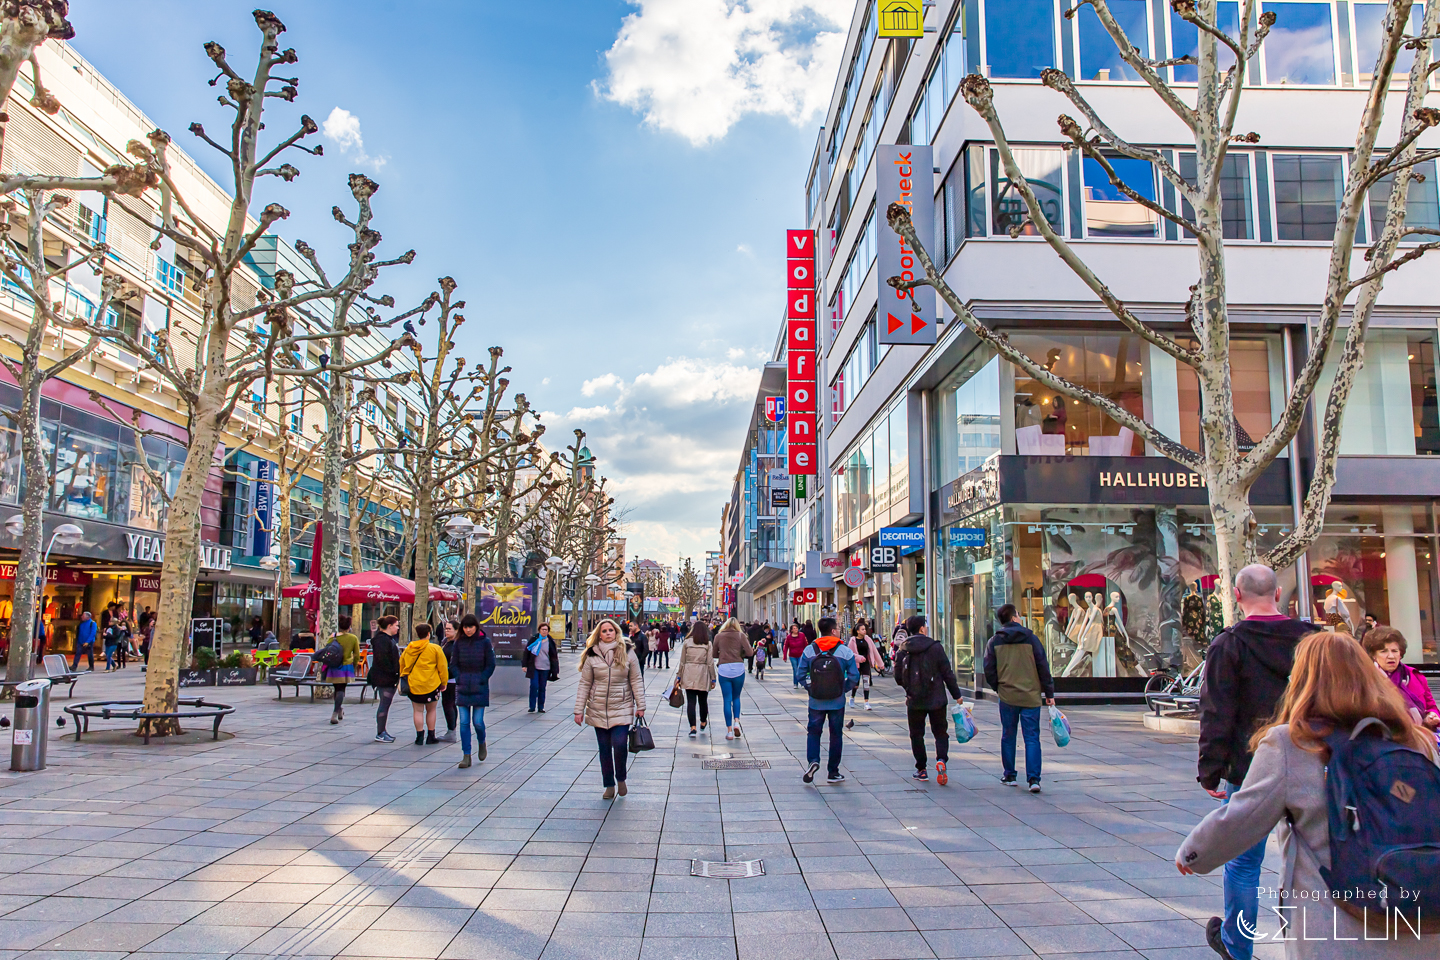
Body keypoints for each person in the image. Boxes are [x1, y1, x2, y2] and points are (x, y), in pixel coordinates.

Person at [1176, 631, 1439, 959]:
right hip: (1422, 918)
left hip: (1335, 923)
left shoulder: (1292, 743)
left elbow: (1244, 816)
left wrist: (1194, 853)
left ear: (1302, 680)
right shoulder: (1416, 740)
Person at [1194, 563, 1314, 960]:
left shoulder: (1228, 645)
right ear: (1277, 594)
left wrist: (1211, 769)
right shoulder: (1312, 640)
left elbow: (1217, 711)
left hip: (1251, 765)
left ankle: (1237, 946)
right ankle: (1313, 943)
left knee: (1244, 862)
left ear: (1236, 595)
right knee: (1315, 860)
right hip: (1310, 758)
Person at [983, 602, 1056, 792]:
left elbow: (989, 669)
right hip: (1031, 695)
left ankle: (1010, 775)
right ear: (1014, 617)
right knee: (1032, 737)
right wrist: (1049, 693)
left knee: (1008, 735)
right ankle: (1034, 780)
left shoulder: (994, 641)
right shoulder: (1031, 639)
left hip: (1007, 695)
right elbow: (1043, 666)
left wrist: (998, 687)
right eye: (1018, 614)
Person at [573, 618, 645, 800]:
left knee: (620, 744)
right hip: (598, 708)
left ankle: (621, 778)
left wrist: (641, 705)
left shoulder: (627, 651)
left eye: (610, 630)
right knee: (604, 749)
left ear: (616, 632)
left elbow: (636, 679)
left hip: (622, 705)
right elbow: (585, 683)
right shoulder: (592, 654)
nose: (607, 633)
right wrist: (579, 710)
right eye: (604, 631)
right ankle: (609, 785)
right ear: (599, 634)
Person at [894, 615, 963, 784]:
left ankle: (921, 769)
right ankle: (941, 760)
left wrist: (909, 688)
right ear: (922, 628)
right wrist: (957, 695)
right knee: (940, 732)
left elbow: (898, 676)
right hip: (936, 698)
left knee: (916, 734)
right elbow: (947, 673)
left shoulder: (903, 648)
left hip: (914, 699)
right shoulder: (935, 647)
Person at [799, 616, 859, 784]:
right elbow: (854, 676)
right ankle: (833, 772)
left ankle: (813, 761)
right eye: (838, 628)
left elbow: (800, 674)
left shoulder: (810, 650)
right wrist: (842, 689)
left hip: (816, 701)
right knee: (836, 734)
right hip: (837, 701)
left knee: (813, 732)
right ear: (833, 631)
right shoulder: (844, 651)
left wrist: (811, 688)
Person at [1363, 625, 1440, 733]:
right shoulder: (1366, 680)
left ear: (1401, 653)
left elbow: (1431, 707)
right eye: (1383, 651)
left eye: (1394, 651)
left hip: (1421, 735)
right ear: (1373, 655)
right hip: (1383, 738)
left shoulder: (1415, 676)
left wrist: (1432, 716)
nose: (1391, 656)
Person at [453, 614, 495, 768]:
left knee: (478, 722)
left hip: (479, 686)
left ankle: (482, 742)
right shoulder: (459, 642)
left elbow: (491, 664)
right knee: (464, 722)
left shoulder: (485, 642)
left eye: (470, 627)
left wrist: (483, 678)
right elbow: (453, 664)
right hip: (463, 686)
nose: (468, 630)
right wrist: (458, 677)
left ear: (476, 627)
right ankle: (466, 755)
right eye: (465, 627)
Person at [399, 623, 449, 745]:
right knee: (431, 710)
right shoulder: (435, 648)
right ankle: (431, 735)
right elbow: (442, 667)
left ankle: (419, 736)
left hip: (414, 684)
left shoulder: (409, 648)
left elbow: (402, 664)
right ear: (428, 634)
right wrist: (444, 682)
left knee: (418, 711)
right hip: (432, 684)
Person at [714, 617, 754, 741]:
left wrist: (723, 654)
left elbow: (714, 654)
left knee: (727, 699)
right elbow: (750, 653)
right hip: (738, 668)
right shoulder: (741, 636)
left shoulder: (719, 636)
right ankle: (737, 722)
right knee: (736, 697)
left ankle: (729, 731)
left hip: (724, 668)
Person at [677, 620, 717, 738]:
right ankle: (703, 721)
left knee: (691, 702)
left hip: (689, 673)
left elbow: (682, 661)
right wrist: (713, 678)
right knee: (703, 701)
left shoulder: (687, 643)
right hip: (702, 673)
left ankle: (692, 727)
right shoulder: (707, 644)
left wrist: (679, 676)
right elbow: (710, 662)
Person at [368, 615, 402, 742]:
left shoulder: (384, 639)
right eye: (396, 625)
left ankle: (382, 731)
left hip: (385, 677)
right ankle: (380, 732)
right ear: (389, 626)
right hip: (385, 678)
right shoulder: (383, 641)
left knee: (385, 704)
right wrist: (394, 673)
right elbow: (384, 661)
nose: (398, 628)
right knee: (384, 704)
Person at [325, 614, 360, 725]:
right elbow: (357, 654)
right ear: (349, 626)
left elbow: (327, 650)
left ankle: (339, 709)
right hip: (346, 666)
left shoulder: (332, 637)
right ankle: (335, 713)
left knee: (336, 688)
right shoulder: (353, 638)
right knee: (341, 689)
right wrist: (354, 666)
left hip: (334, 666)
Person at [523, 622, 560, 713]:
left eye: (546, 630)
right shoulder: (534, 639)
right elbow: (526, 652)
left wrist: (555, 670)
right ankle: (532, 706)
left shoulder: (550, 641)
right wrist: (524, 665)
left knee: (542, 687)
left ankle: (541, 707)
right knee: (534, 685)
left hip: (545, 668)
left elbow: (554, 656)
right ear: (539, 630)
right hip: (534, 667)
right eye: (542, 629)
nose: (544, 631)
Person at [847, 622, 881, 712]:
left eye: (865, 629)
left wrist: (880, 664)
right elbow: (850, 653)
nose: (864, 631)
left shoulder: (868, 639)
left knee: (866, 683)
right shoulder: (853, 640)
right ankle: (852, 697)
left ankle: (866, 702)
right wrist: (859, 658)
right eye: (862, 629)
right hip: (856, 665)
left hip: (866, 664)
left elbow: (874, 651)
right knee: (856, 683)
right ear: (857, 631)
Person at [437, 619, 459, 743]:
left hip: (451, 678)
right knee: (449, 703)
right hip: (446, 677)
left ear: (456, 631)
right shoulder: (446, 642)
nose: (446, 631)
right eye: (446, 629)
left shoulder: (455, 645)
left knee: (448, 703)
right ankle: (451, 730)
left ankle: (451, 731)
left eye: (449, 629)